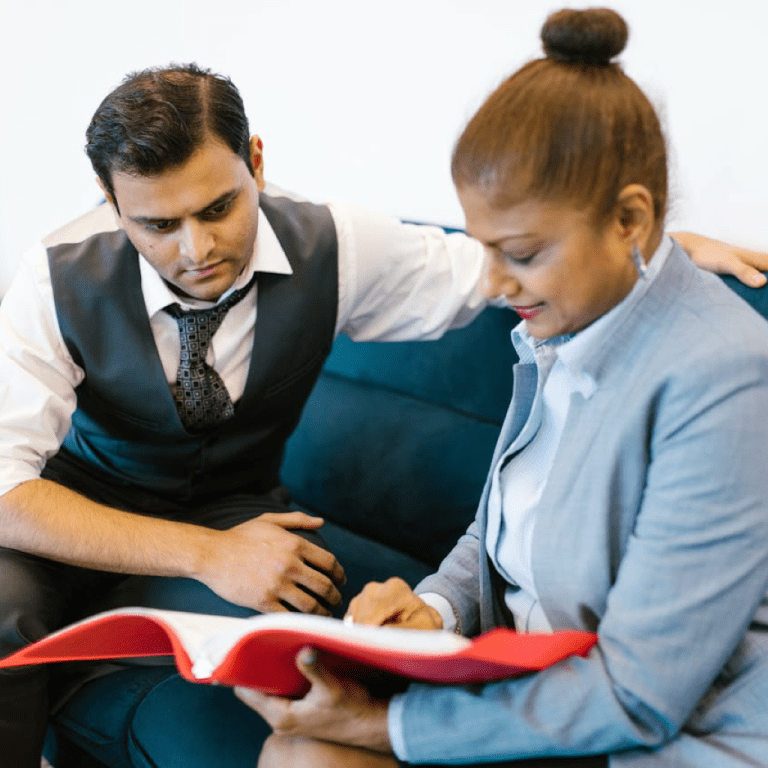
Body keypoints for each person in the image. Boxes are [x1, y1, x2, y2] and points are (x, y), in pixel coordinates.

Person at [0, 61, 762, 768]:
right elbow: (5, 489)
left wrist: (651, 250)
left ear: (256, 162)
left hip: (234, 507)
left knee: (308, 637)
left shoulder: (351, 248)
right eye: (157, 226)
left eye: (219, 208)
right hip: (69, 504)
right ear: (111, 204)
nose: (195, 248)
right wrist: (203, 555)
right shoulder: (54, 276)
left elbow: (489, 268)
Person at [236, 8, 768, 768]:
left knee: (313, 752)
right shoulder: (562, 328)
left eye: (519, 253)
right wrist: (434, 610)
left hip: (667, 737)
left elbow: (640, 694)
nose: (493, 283)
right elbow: (504, 535)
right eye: (483, 248)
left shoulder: (725, 378)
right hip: (545, 687)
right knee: (299, 744)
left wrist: (385, 726)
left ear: (630, 219)